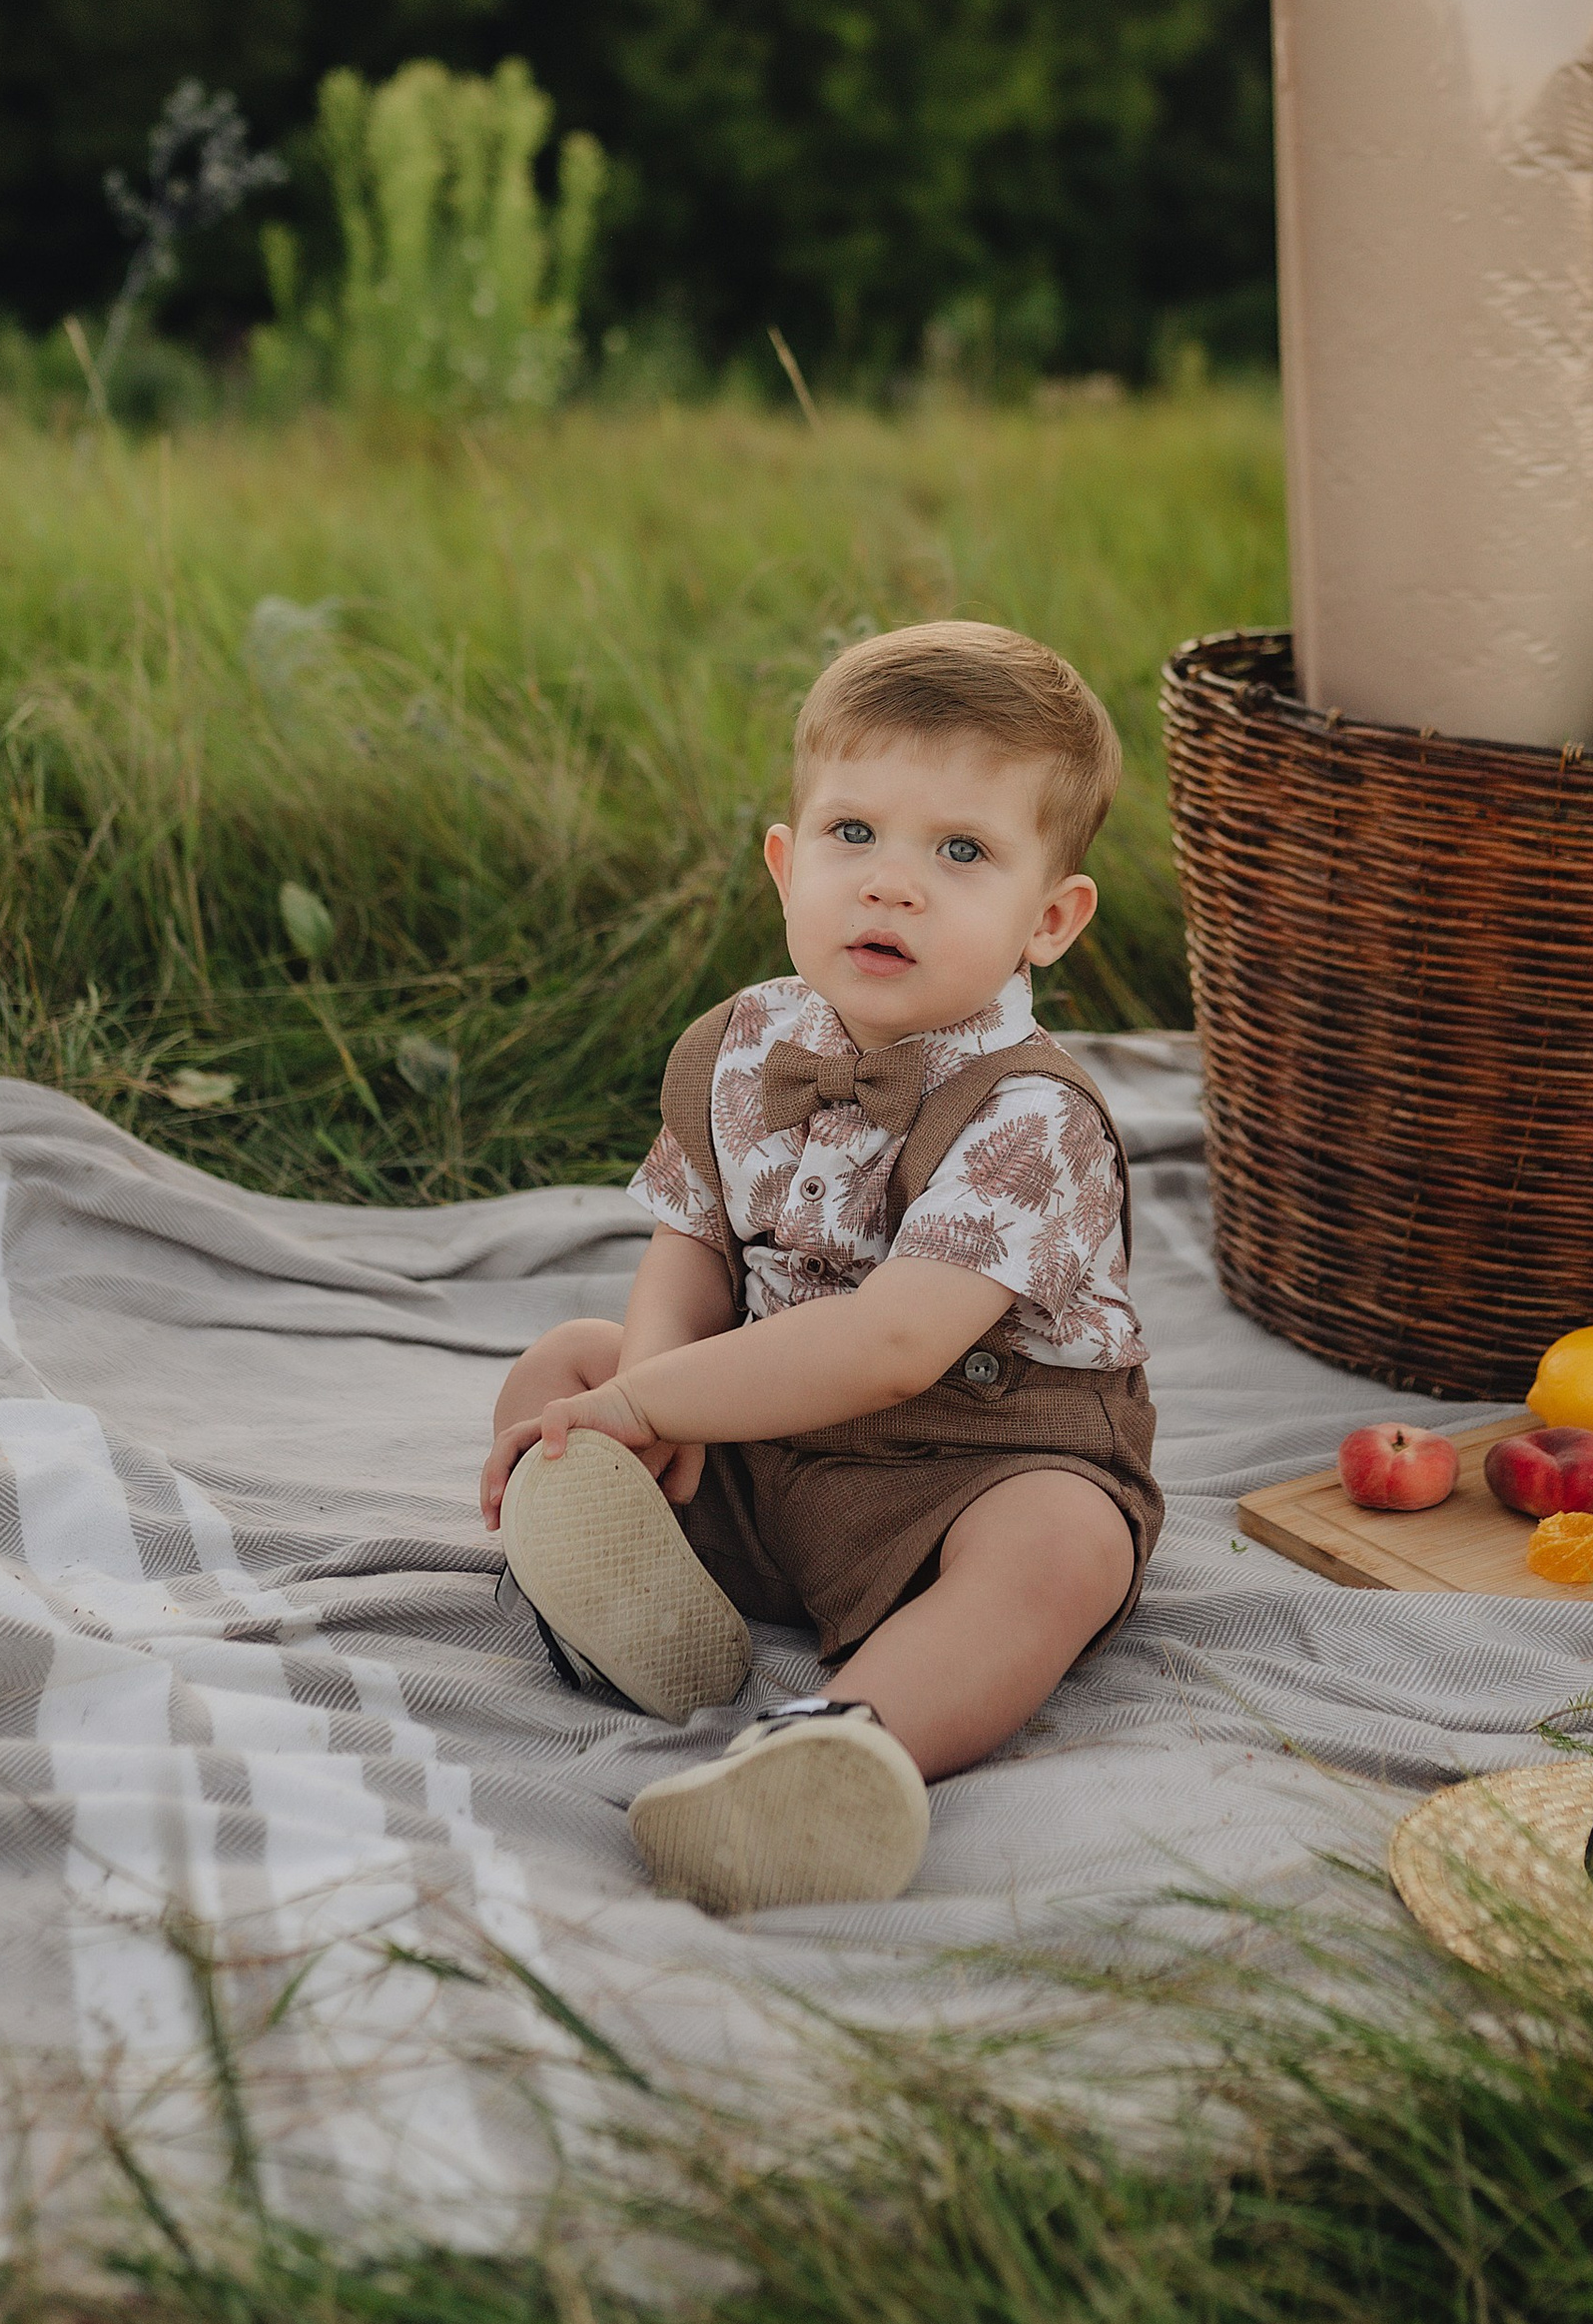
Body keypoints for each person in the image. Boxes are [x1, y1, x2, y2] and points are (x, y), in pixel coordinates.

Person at [480, 619, 1161, 1917]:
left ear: (1051, 917)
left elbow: (897, 1340)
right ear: (787, 863)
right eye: (855, 834)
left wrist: (653, 1404)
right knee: (563, 1361)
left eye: (960, 850)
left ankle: (841, 1745)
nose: (892, 882)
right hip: (754, 1436)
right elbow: (693, 1242)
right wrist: (655, 1384)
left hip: (970, 1453)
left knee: (1066, 1547)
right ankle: (646, 1612)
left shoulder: (1032, 1119)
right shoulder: (743, 1045)